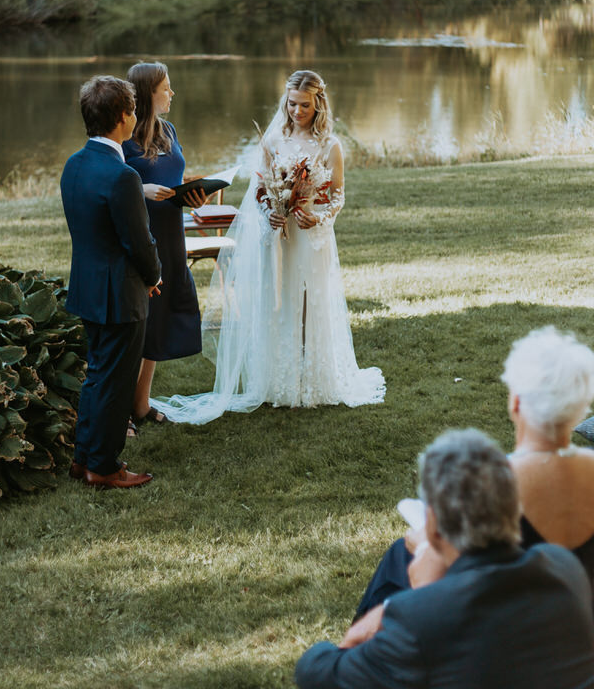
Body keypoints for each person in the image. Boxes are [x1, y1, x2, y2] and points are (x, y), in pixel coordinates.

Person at [154, 69, 385, 425]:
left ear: (318, 104)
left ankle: (314, 381)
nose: (297, 111)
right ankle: (281, 381)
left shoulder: (330, 145)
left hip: (312, 235)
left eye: (305, 105)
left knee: (311, 302)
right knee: (279, 300)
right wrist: (269, 212)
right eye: (292, 104)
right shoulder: (273, 139)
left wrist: (319, 218)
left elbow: (337, 196)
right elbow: (260, 189)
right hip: (278, 235)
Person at [295, 429, 594, 689]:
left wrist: (399, 603)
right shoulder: (562, 566)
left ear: (434, 526)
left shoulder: (417, 619)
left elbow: (315, 672)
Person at [355, 324, 594, 618]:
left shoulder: (489, 482)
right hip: (576, 617)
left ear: (516, 401)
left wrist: (423, 548)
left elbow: (460, 572)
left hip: (500, 617)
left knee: (398, 558)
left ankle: (354, 655)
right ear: (581, 407)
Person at [60, 76, 161, 488]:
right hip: (120, 294)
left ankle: (83, 459)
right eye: (133, 110)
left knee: (97, 375)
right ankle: (103, 466)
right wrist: (154, 275)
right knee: (115, 381)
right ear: (122, 117)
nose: (136, 117)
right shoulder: (122, 177)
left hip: (87, 288)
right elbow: (137, 241)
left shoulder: (74, 164)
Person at [122, 62, 205, 429]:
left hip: (172, 234)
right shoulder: (122, 138)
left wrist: (194, 195)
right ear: (145, 94)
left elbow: (173, 179)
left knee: (158, 320)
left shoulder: (168, 130)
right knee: (136, 323)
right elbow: (111, 186)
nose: (172, 93)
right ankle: (118, 409)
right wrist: (141, 192)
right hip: (143, 234)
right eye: (166, 88)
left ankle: (140, 405)